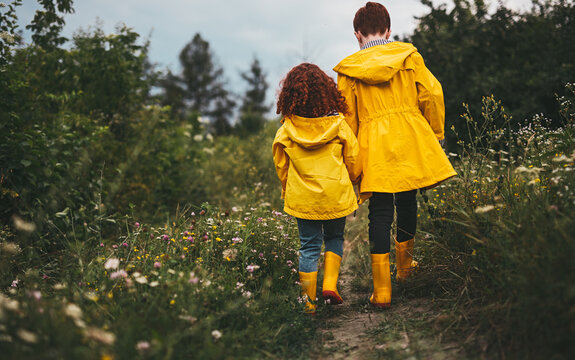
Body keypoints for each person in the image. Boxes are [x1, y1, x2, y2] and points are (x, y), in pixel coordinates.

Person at [333, 2, 457, 308]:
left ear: (357, 34)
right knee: (407, 201)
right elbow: (432, 93)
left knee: (380, 211)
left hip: (373, 143)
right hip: (409, 135)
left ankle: (383, 290)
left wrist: (350, 159)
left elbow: (347, 119)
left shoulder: (348, 70)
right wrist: (435, 133)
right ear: (388, 30)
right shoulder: (408, 56)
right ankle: (405, 270)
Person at [273, 63, 362, 314]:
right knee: (334, 237)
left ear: (290, 95)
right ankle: (330, 285)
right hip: (336, 195)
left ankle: (308, 304)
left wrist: (287, 189)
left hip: (303, 199)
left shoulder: (286, 130)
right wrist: (355, 180)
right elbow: (353, 158)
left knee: (309, 246)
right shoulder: (339, 125)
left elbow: (281, 166)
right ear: (327, 92)